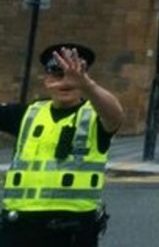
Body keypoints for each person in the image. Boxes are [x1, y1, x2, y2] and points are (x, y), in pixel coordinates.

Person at [0, 43, 124, 246]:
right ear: (47, 80)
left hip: (71, 232)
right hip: (17, 228)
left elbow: (116, 115)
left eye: (74, 76)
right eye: (58, 74)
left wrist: (88, 86)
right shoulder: (28, 114)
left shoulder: (94, 116)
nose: (66, 82)